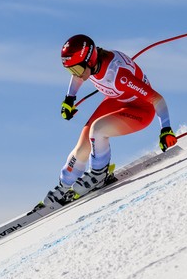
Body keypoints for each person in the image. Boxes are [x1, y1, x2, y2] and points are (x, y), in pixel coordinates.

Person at [43, 34, 177, 207]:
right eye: (71, 70)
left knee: (98, 130)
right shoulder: (89, 65)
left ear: (90, 60)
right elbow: (78, 76)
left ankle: (99, 174)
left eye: (76, 69)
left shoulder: (119, 76)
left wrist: (165, 129)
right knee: (83, 144)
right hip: (116, 100)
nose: (75, 74)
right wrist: (69, 99)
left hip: (141, 110)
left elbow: (157, 99)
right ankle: (63, 186)